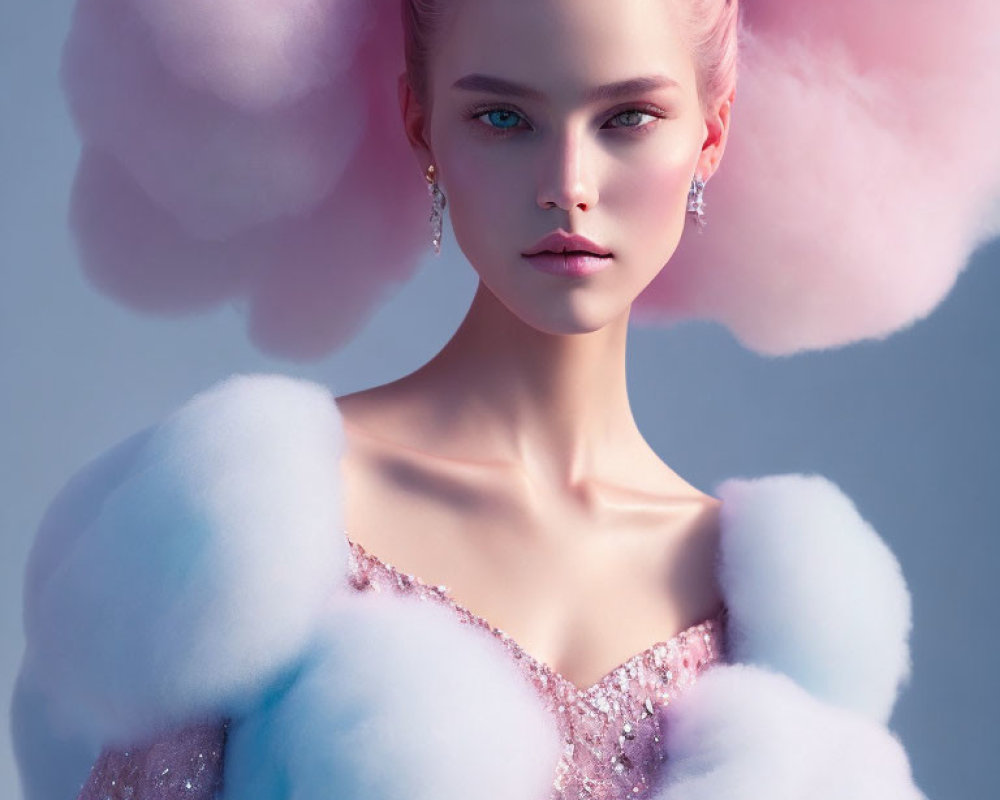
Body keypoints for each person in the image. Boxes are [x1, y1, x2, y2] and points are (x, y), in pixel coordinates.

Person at [11, 0, 998, 798]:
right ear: (420, 124)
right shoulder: (249, 531)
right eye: (503, 117)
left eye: (626, 118)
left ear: (712, 131)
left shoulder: (777, 617)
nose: (566, 184)